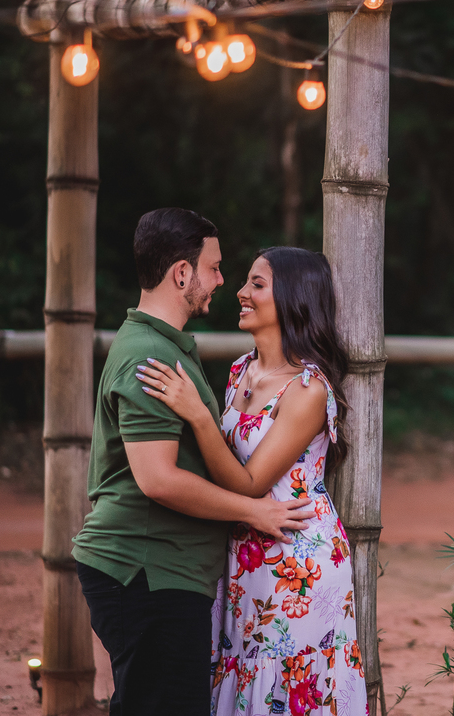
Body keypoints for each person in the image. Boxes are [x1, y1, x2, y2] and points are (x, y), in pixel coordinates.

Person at [73, 208, 316, 716]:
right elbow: (158, 479)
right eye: (214, 267)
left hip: (163, 571)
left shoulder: (168, 349)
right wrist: (251, 512)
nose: (222, 281)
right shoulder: (150, 357)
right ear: (181, 274)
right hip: (148, 570)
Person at [138, 246, 368, 715]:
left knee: (283, 683)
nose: (240, 292)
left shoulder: (308, 388)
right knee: (244, 675)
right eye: (245, 282)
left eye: (257, 285)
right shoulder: (242, 369)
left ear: (293, 298)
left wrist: (198, 416)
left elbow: (247, 482)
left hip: (296, 560)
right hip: (244, 552)